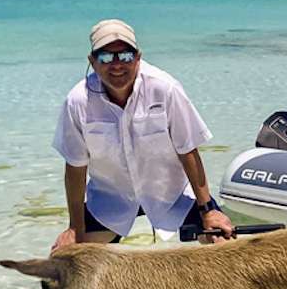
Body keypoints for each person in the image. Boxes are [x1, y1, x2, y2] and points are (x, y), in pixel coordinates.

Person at [52, 18, 233, 251]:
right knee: (65, 261)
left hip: (171, 194)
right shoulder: (78, 101)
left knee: (223, 245)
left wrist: (208, 210)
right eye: (106, 57)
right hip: (111, 200)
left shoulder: (164, 88)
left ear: (138, 57)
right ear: (92, 61)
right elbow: (75, 168)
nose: (117, 65)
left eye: (125, 56)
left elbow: (187, 150)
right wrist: (75, 228)